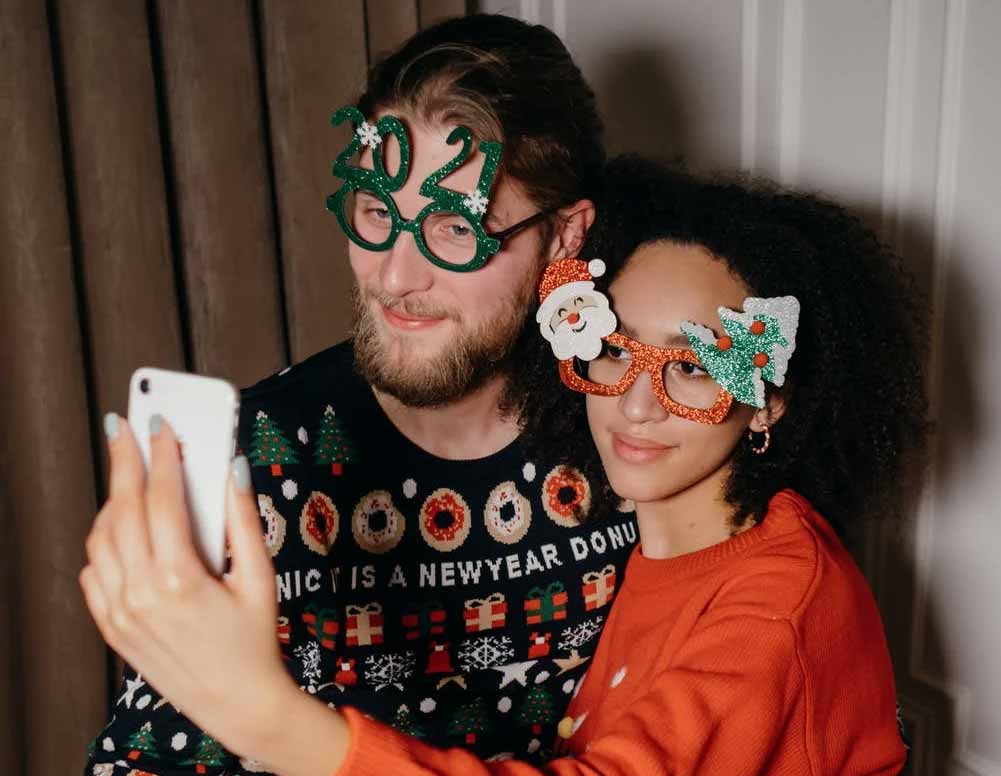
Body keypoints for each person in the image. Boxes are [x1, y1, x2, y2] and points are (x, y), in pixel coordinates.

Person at [81, 156, 927, 774]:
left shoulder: (780, 604)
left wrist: (264, 716)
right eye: (611, 350)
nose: (634, 403)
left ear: (769, 400)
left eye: (694, 366)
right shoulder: (632, 538)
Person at [81, 14, 636, 775]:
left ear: (566, 236)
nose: (395, 277)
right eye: (377, 213)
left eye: (454, 228)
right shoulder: (258, 460)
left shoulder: (633, 436)